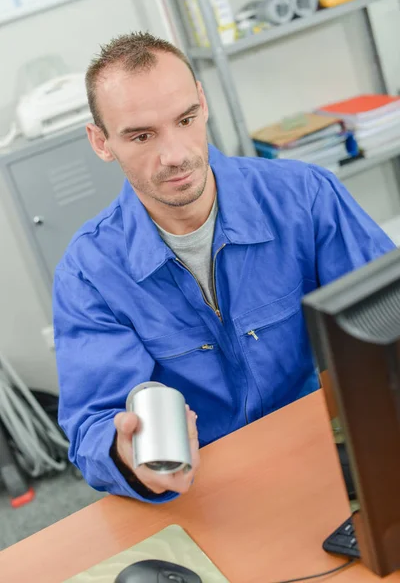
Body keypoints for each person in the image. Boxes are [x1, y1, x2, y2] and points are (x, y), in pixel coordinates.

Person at [53, 32, 395, 504]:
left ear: (203, 103)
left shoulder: (306, 197)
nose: (175, 155)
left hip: (334, 451)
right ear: (101, 142)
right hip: (206, 488)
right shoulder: (89, 272)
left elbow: (389, 324)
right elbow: (94, 420)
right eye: (141, 135)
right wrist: (124, 457)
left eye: (185, 120)